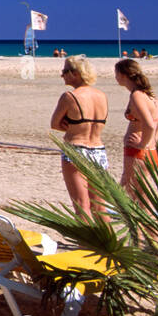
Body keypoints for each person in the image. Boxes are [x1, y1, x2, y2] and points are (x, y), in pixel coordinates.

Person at [50, 55, 109, 216]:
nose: (62, 75)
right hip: (98, 149)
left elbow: (55, 123)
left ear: (75, 73)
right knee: (100, 205)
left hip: (76, 149)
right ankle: (106, 240)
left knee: (82, 205)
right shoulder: (101, 96)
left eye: (64, 71)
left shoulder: (70, 97)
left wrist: (72, 128)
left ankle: (85, 242)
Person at [115, 59, 158, 195]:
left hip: (138, 152)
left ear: (123, 75)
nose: (115, 77)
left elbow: (149, 124)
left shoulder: (137, 95)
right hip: (151, 151)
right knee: (128, 186)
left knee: (139, 196)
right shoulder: (149, 94)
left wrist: (142, 144)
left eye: (116, 74)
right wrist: (154, 139)